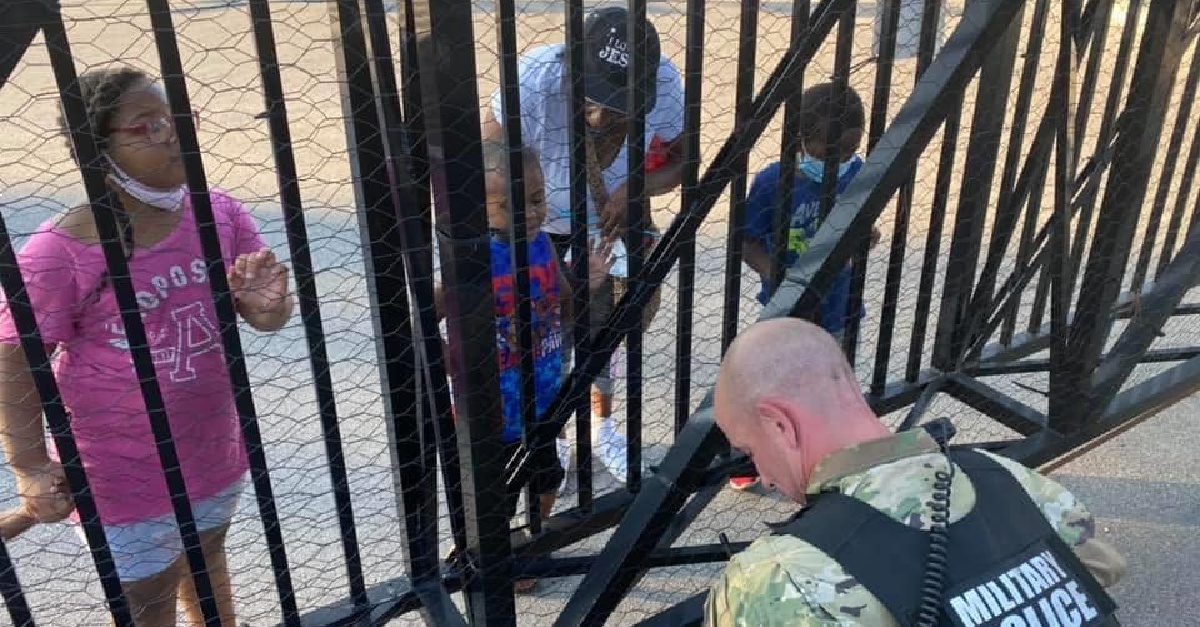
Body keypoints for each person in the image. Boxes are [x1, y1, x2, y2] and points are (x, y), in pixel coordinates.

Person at [0, 67, 293, 626]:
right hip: (122, 477)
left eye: (177, 118)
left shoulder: (219, 213)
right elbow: (15, 358)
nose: (172, 132)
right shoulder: (62, 250)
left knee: (207, 562)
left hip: (211, 455)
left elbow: (267, 313)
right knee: (147, 602)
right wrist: (32, 465)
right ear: (96, 149)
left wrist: (269, 308)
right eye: (147, 126)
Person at [705, 318, 1127, 626]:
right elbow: (1101, 566)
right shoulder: (1005, 475)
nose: (763, 476)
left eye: (749, 451)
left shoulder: (777, 575)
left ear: (780, 424)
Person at [481, 5, 686, 483]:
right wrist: (515, 240)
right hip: (537, 227)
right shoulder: (533, 78)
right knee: (546, 336)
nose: (599, 115)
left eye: (618, 103)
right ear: (568, 66)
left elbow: (686, 161)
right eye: (592, 97)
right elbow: (482, 167)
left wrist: (636, 186)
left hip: (610, 226)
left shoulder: (666, 86)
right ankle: (548, 435)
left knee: (607, 331)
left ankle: (605, 429)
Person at [434, 141, 609, 592]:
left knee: (546, 475)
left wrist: (584, 283)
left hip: (545, 399)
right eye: (508, 204)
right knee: (492, 494)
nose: (528, 213)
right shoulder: (472, 259)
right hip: (492, 410)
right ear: (478, 208)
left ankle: (531, 543)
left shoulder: (543, 244)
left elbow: (567, 307)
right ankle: (482, 550)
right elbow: (431, 309)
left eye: (535, 199)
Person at [730, 82, 875, 491]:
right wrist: (779, 276)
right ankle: (751, 458)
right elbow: (745, 239)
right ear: (801, 140)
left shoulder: (858, 176)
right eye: (830, 153)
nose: (840, 162)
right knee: (773, 391)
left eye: (849, 152)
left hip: (839, 307)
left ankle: (822, 462)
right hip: (786, 310)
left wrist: (862, 241)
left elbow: (868, 227)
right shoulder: (774, 182)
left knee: (832, 388)